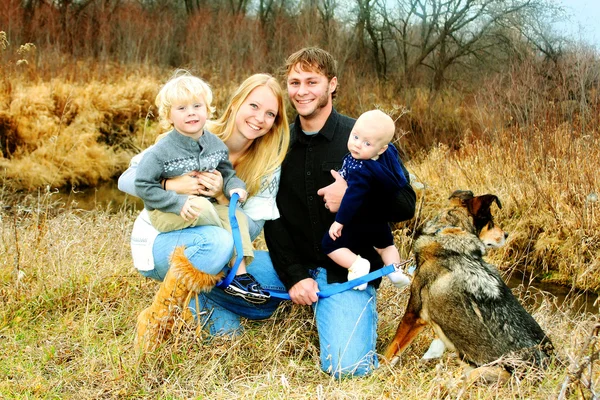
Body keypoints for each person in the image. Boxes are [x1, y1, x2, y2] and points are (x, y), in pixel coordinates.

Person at [263, 47, 416, 377]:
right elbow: (271, 216)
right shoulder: (278, 142)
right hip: (292, 263)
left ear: (332, 84)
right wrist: (293, 275)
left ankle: (335, 311)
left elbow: (406, 203)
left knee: (348, 368)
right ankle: (237, 320)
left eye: (312, 81)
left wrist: (354, 196)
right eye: (294, 82)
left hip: (348, 275)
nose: (302, 91)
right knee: (214, 273)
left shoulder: (364, 136)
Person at [119, 73, 290, 346]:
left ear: (275, 122)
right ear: (236, 103)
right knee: (218, 240)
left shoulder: (266, 164)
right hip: (163, 239)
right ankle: (161, 315)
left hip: (218, 245)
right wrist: (173, 184)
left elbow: (252, 227)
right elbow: (127, 179)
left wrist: (223, 193)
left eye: (270, 113)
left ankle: (203, 295)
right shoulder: (192, 127)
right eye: (254, 106)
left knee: (279, 289)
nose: (260, 118)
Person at [134, 71, 265, 304]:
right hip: (168, 212)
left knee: (237, 216)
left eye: (197, 106)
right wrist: (175, 201)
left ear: (207, 110)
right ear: (169, 116)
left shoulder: (215, 144)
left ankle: (240, 275)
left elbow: (227, 173)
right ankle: (229, 257)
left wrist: (235, 187)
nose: (191, 112)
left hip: (207, 209)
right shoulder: (161, 151)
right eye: (181, 108)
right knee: (202, 206)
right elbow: (143, 184)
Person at [322, 109, 412, 291]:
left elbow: (352, 198)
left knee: (329, 244)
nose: (357, 145)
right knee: (385, 246)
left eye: (367, 143)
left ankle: (357, 266)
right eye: (355, 137)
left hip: (359, 221)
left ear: (381, 148)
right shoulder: (388, 157)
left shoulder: (360, 168)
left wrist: (339, 222)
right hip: (379, 222)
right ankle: (395, 270)